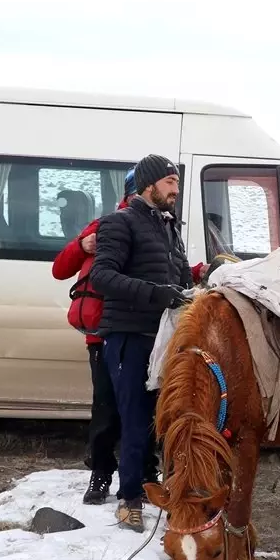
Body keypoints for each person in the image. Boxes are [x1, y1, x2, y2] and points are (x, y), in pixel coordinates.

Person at [90, 154, 196, 531]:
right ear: (149, 185)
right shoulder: (118, 223)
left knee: (163, 419)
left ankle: (165, 490)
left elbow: (180, 280)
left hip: (164, 339)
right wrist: (159, 294)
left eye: (177, 183)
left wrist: (197, 286)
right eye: (170, 183)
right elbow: (102, 277)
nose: (176, 190)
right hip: (129, 337)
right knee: (134, 420)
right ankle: (128, 499)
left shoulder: (170, 228)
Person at [51, 169, 141, 504]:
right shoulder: (104, 225)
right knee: (106, 409)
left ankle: (143, 474)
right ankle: (101, 473)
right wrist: (81, 245)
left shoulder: (161, 228)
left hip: (141, 334)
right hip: (103, 338)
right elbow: (60, 269)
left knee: (140, 410)